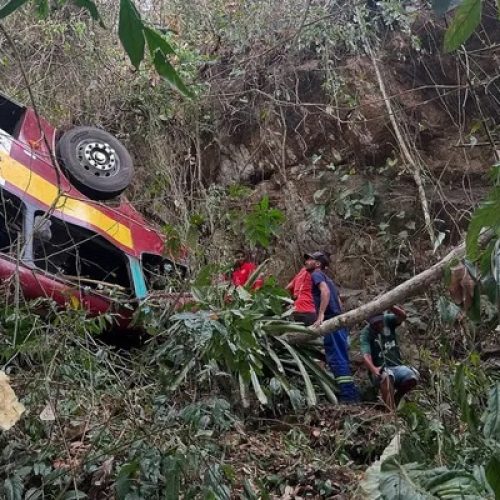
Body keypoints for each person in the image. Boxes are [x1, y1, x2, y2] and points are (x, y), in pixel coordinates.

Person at [304, 251, 359, 403]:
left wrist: (321, 315)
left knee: (337, 359)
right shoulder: (330, 280)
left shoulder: (317, 275)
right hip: (338, 322)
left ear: (318, 264)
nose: (307, 262)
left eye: (310, 259)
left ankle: (348, 398)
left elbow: (325, 292)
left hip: (331, 322)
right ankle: (351, 394)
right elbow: (339, 301)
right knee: (341, 357)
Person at [359, 305, 419, 411]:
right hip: (381, 369)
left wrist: (390, 305)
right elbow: (366, 355)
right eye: (375, 324)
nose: (379, 325)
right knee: (387, 377)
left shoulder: (388, 320)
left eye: (380, 322)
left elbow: (402, 316)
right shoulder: (366, 334)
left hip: (396, 366)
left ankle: (396, 397)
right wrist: (374, 369)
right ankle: (390, 412)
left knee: (412, 377)